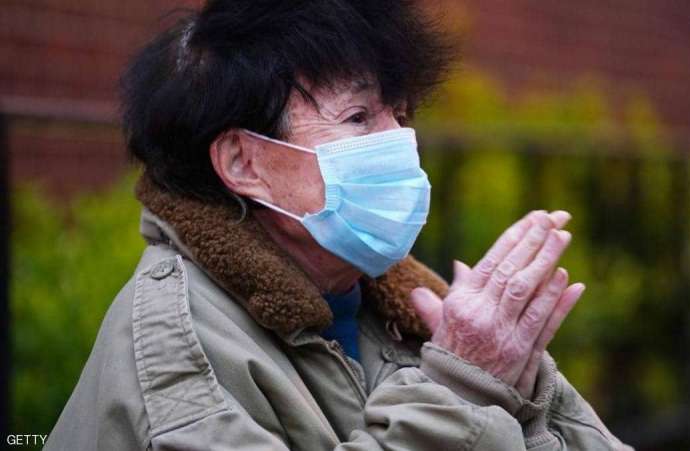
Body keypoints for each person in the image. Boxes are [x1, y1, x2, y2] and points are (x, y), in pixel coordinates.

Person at [45, 1, 632, 449]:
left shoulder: (399, 304)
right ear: (243, 163)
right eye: (357, 117)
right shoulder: (176, 346)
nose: (400, 142)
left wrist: (520, 396)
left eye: (399, 114)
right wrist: (460, 396)